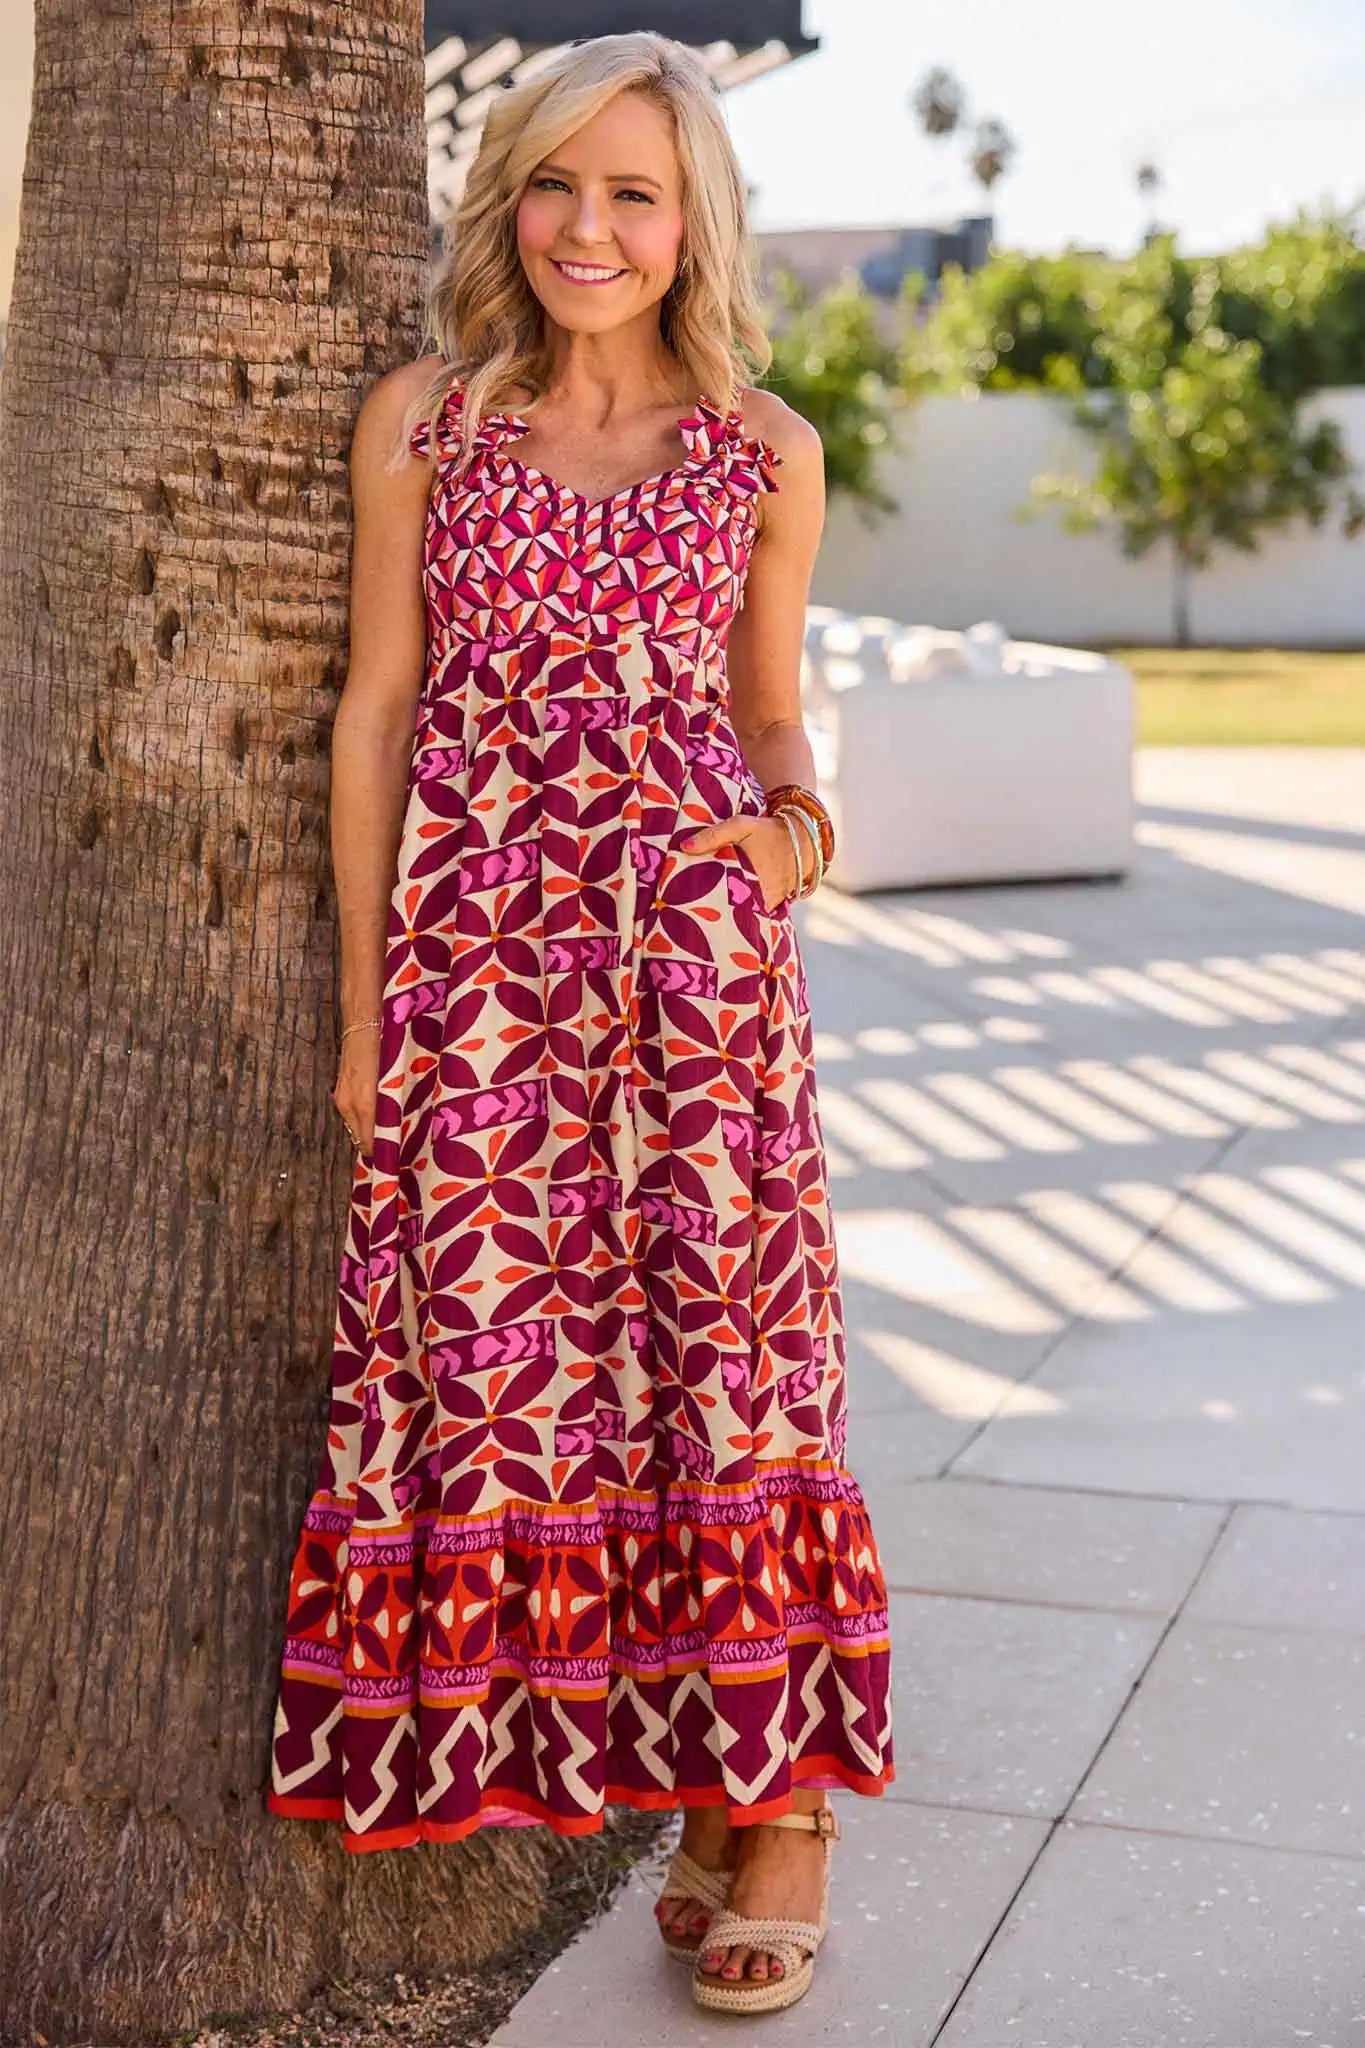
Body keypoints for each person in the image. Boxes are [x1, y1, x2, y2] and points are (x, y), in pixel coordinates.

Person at [265, 28, 894, 2018]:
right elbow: (376, 708)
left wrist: (791, 833)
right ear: (507, 198)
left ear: (693, 221)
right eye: (555, 182)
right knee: (518, 1370)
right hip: (478, 974)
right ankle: (676, 1792)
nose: (587, 227)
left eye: (633, 191)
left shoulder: (763, 449)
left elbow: (768, 704)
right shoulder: (425, 424)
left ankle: (777, 1808)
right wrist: (370, 1005)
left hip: (696, 978)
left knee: (728, 1361)